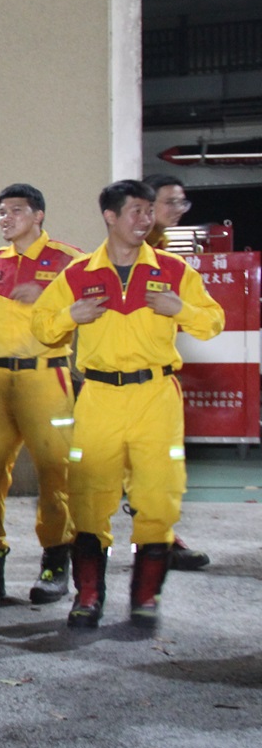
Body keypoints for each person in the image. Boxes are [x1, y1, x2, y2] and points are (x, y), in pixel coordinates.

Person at [31, 179, 224, 628]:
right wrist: (69, 317)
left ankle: (145, 598)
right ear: (111, 217)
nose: (145, 220)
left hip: (156, 396)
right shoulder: (79, 274)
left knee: (158, 495)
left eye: (148, 211)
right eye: (136, 211)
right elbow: (43, 326)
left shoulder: (174, 271)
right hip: (98, 396)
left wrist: (180, 309)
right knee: (89, 494)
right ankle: (89, 597)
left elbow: (213, 321)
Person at [0, 185, 82, 604]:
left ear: (39, 215)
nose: (6, 218)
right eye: (1, 212)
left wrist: (49, 297)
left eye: (16, 211)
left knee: (55, 470)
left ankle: (55, 563)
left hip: (46, 379)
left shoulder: (70, 262)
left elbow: (100, 303)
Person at [142, 172, 210, 572]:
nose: (179, 210)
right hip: (110, 381)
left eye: (183, 203)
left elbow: (204, 319)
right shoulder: (124, 252)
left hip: (155, 381)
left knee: (158, 467)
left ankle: (160, 540)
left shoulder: (167, 253)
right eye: (173, 202)